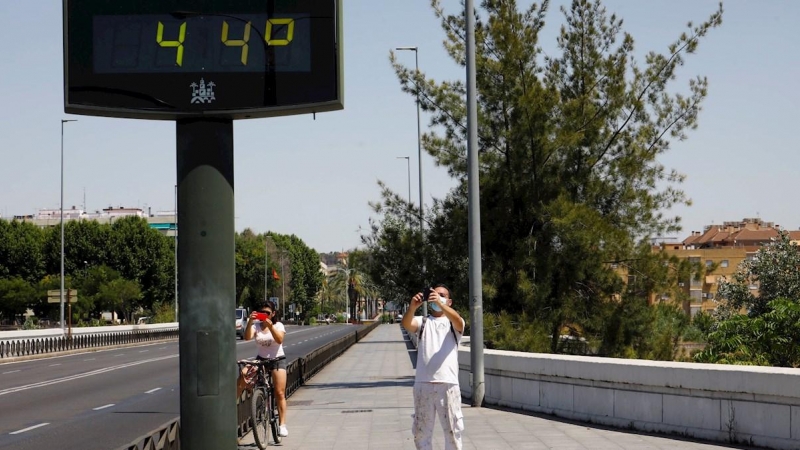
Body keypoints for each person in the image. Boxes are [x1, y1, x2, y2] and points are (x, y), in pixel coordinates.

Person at [401, 284, 465, 450]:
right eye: (434, 294)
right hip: (423, 384)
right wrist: (412, 307)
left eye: (442, 295)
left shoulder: (453, 324)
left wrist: (441, 304)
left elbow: (458, 321)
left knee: (453, 432)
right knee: (421, 433)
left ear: (449, 301)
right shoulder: (423, 322)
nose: (437, 297)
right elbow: (407, 323)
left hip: (448, 384)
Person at [243, 300, 289, 437]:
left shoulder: (278, 325)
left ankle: (282, 424)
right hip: (261, 359)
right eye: (261, 312)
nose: (264, 315)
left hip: (277, 360)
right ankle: (231, 409)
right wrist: (250, 322)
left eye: (267, 313)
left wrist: (271, 327)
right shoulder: (256, 325)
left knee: (279, 392)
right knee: (243, 375)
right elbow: (247, 337)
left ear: (273, 314)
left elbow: (280, 340)